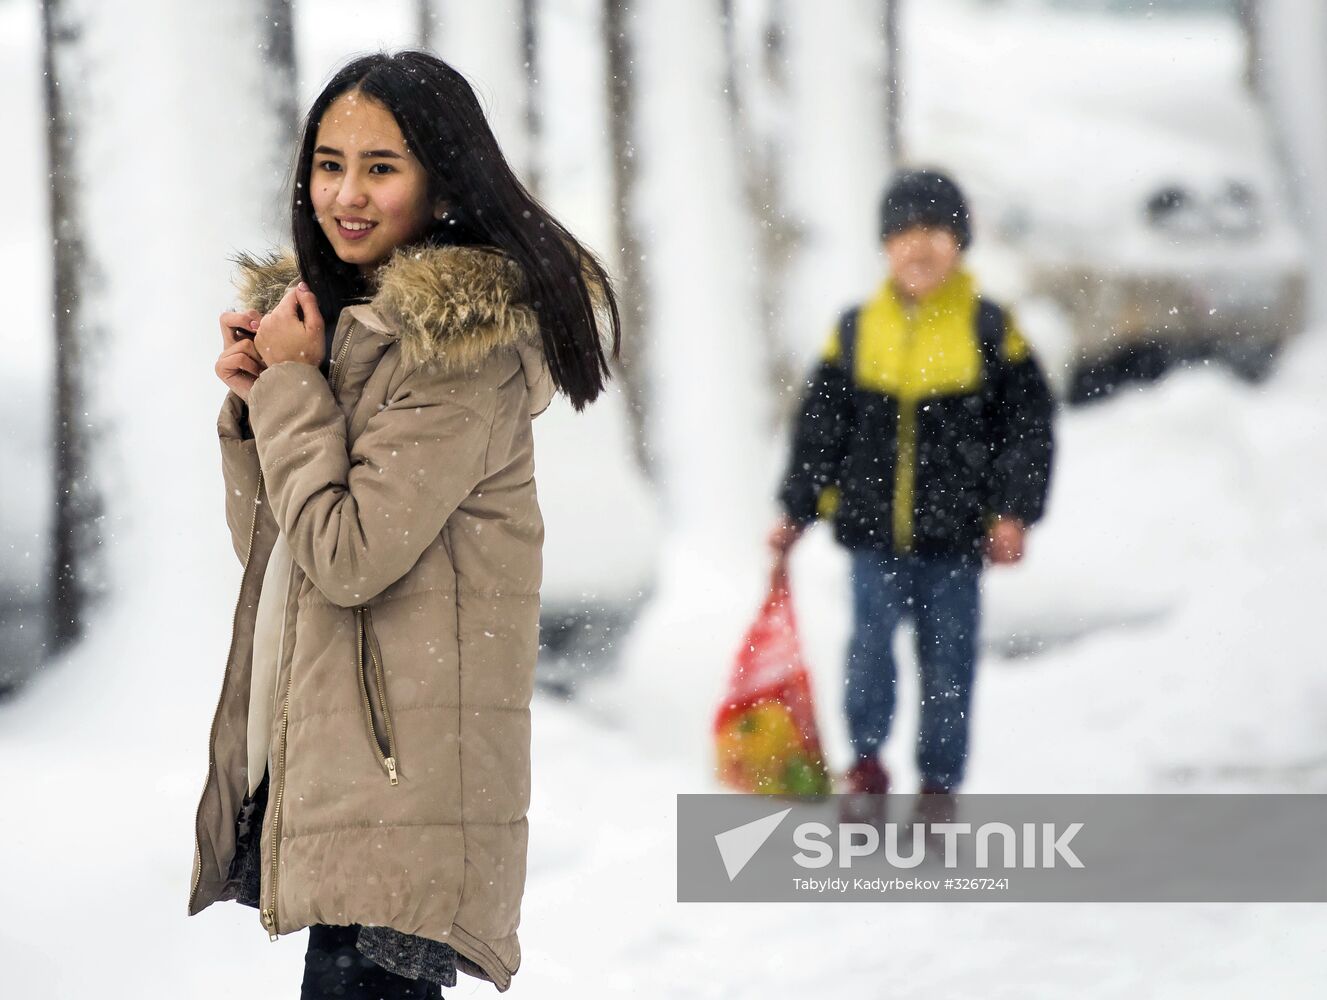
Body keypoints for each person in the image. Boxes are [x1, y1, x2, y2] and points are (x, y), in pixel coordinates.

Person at [191, 51, 619, 999]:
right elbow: (283, 559)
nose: (346, 193)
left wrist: (294, 389)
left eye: (381, 167)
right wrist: (260, 403)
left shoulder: (458, 350)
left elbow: (346, 559)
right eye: (329, 162)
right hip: (347, 767)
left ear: (442, 178)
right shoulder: (344, 326)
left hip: (404, 782)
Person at [770, 168, 1054, 807]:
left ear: (959, 243)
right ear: (885, 247)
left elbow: (1028, 428)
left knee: (948, 668)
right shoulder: (856, 331)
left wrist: (1014, 511)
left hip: (954, 540)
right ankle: (865, 768)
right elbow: (821, 430)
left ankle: (937, 787)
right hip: (873, 535)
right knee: (868, 655)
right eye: (903, 233)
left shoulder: (988, 329)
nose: (918, 247)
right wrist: (795, 509)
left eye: (934, 231)